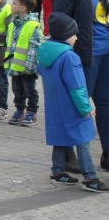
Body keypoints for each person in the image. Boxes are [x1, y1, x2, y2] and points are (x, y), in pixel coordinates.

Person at [53, 0, 109, 170]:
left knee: (106, 103)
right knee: (78, 104)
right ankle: (68, 153)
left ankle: (107, 152)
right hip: (85, 55)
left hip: (106, 53)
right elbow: (58, 19)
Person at [37, 12, 108, 191]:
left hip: (54, 106)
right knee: (83, 141)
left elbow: (40, 71)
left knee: (60, 138)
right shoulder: (70, 57)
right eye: (74, 34)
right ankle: (90, 178)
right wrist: (86, 107)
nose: (77, 37)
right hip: (72, 107)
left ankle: (58, 171)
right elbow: (77, 87)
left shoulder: (46, 51)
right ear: (65, 35)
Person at [5, 0, 43, 126]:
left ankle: (32, 111)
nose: (11, 5)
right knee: (17, 90)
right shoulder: (12, 24)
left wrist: (30, 67)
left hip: (27, 68)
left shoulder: (33, 25)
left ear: (23, 8)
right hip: (15, 66)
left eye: (14, 3)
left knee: (30, 90)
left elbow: (35, 48)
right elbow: (10, 46)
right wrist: (7, 64)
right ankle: (19, 110)